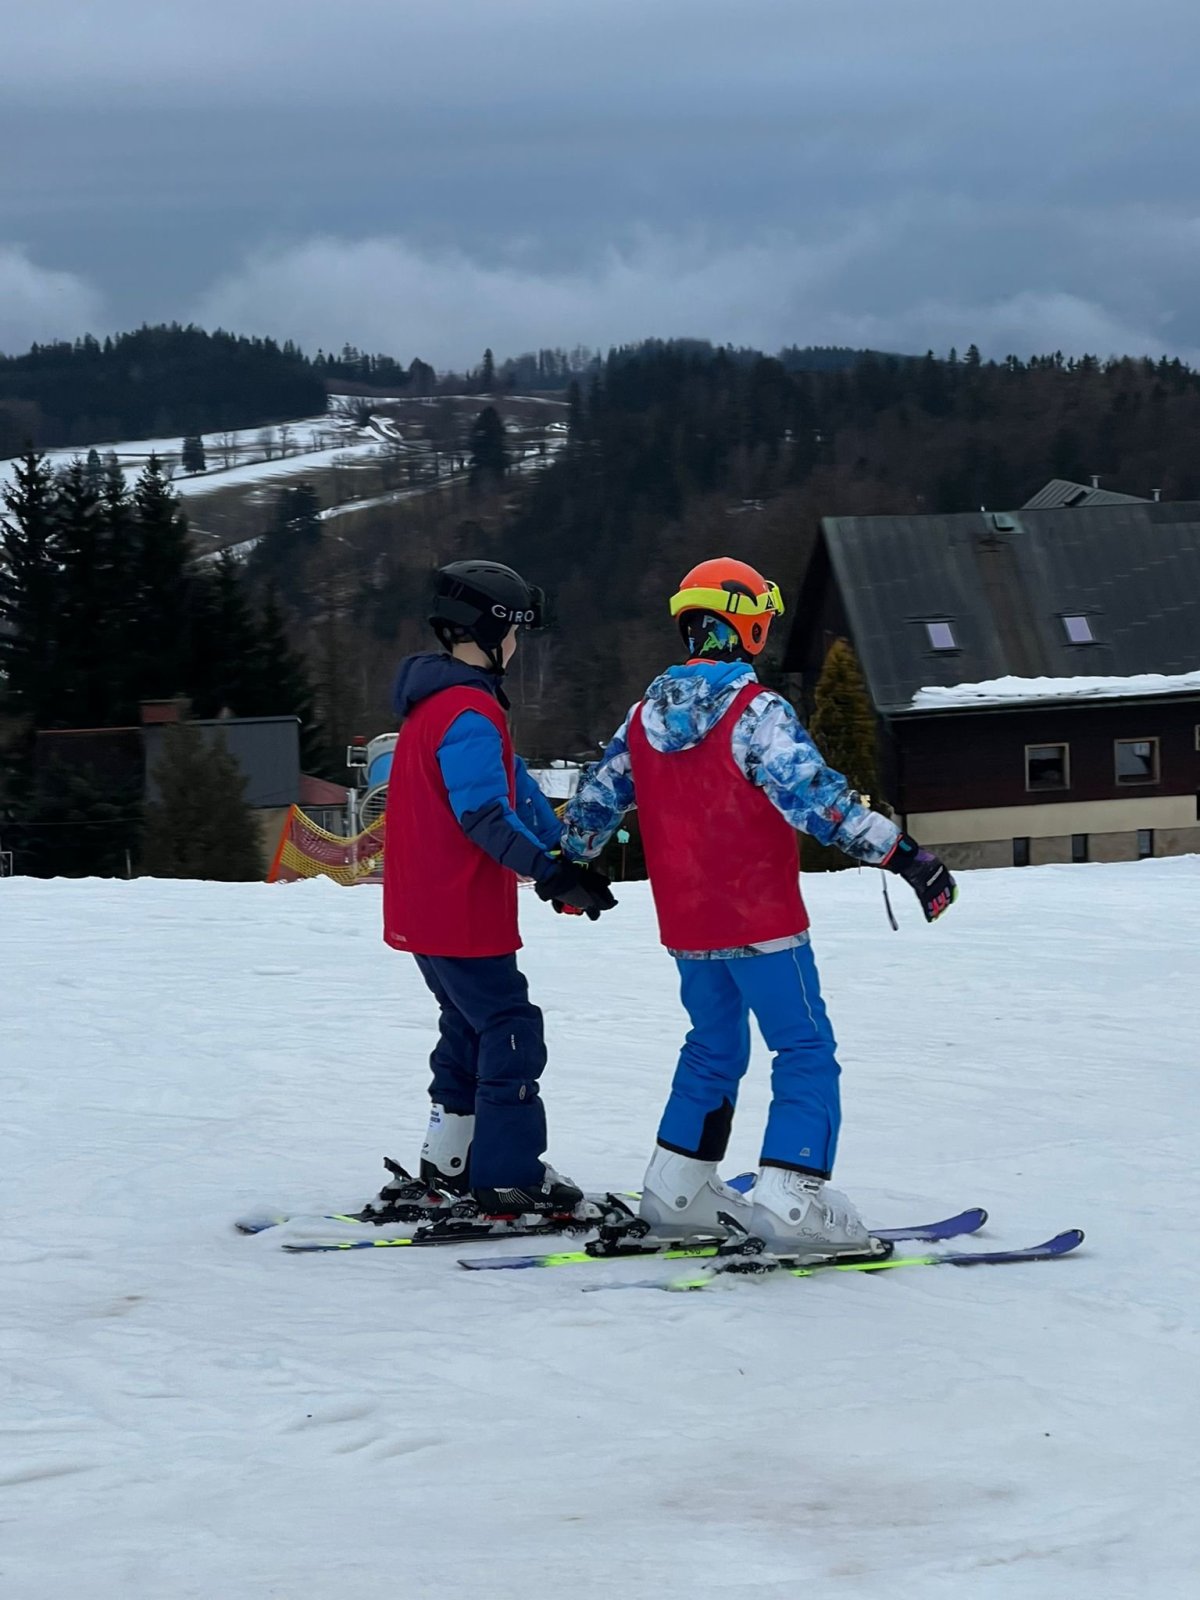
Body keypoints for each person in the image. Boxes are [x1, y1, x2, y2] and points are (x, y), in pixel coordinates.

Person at [559, 557, 956, 1255]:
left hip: (688, 925)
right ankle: (793, 1198)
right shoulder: (755, 712)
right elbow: (820, 803)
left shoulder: (642, 718)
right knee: (803, 1047)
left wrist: (571, 864)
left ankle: (677, 1190)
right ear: (745, 625)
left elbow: (595, 799)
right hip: (762, 921)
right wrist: (905, 858)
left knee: (712, 1046)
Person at [373, 559, 616, 1221]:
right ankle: (509, 1179)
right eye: (513, 632)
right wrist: (551, 874)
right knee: (510, 1028)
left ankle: (450, 1160)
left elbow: (518, 787)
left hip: (425, 910)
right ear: (489, 631)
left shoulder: (436, 705)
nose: (516, 645)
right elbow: (483, 815)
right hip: (459, 910)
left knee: (468, 1027)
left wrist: (562, 858)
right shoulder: (470, 712)